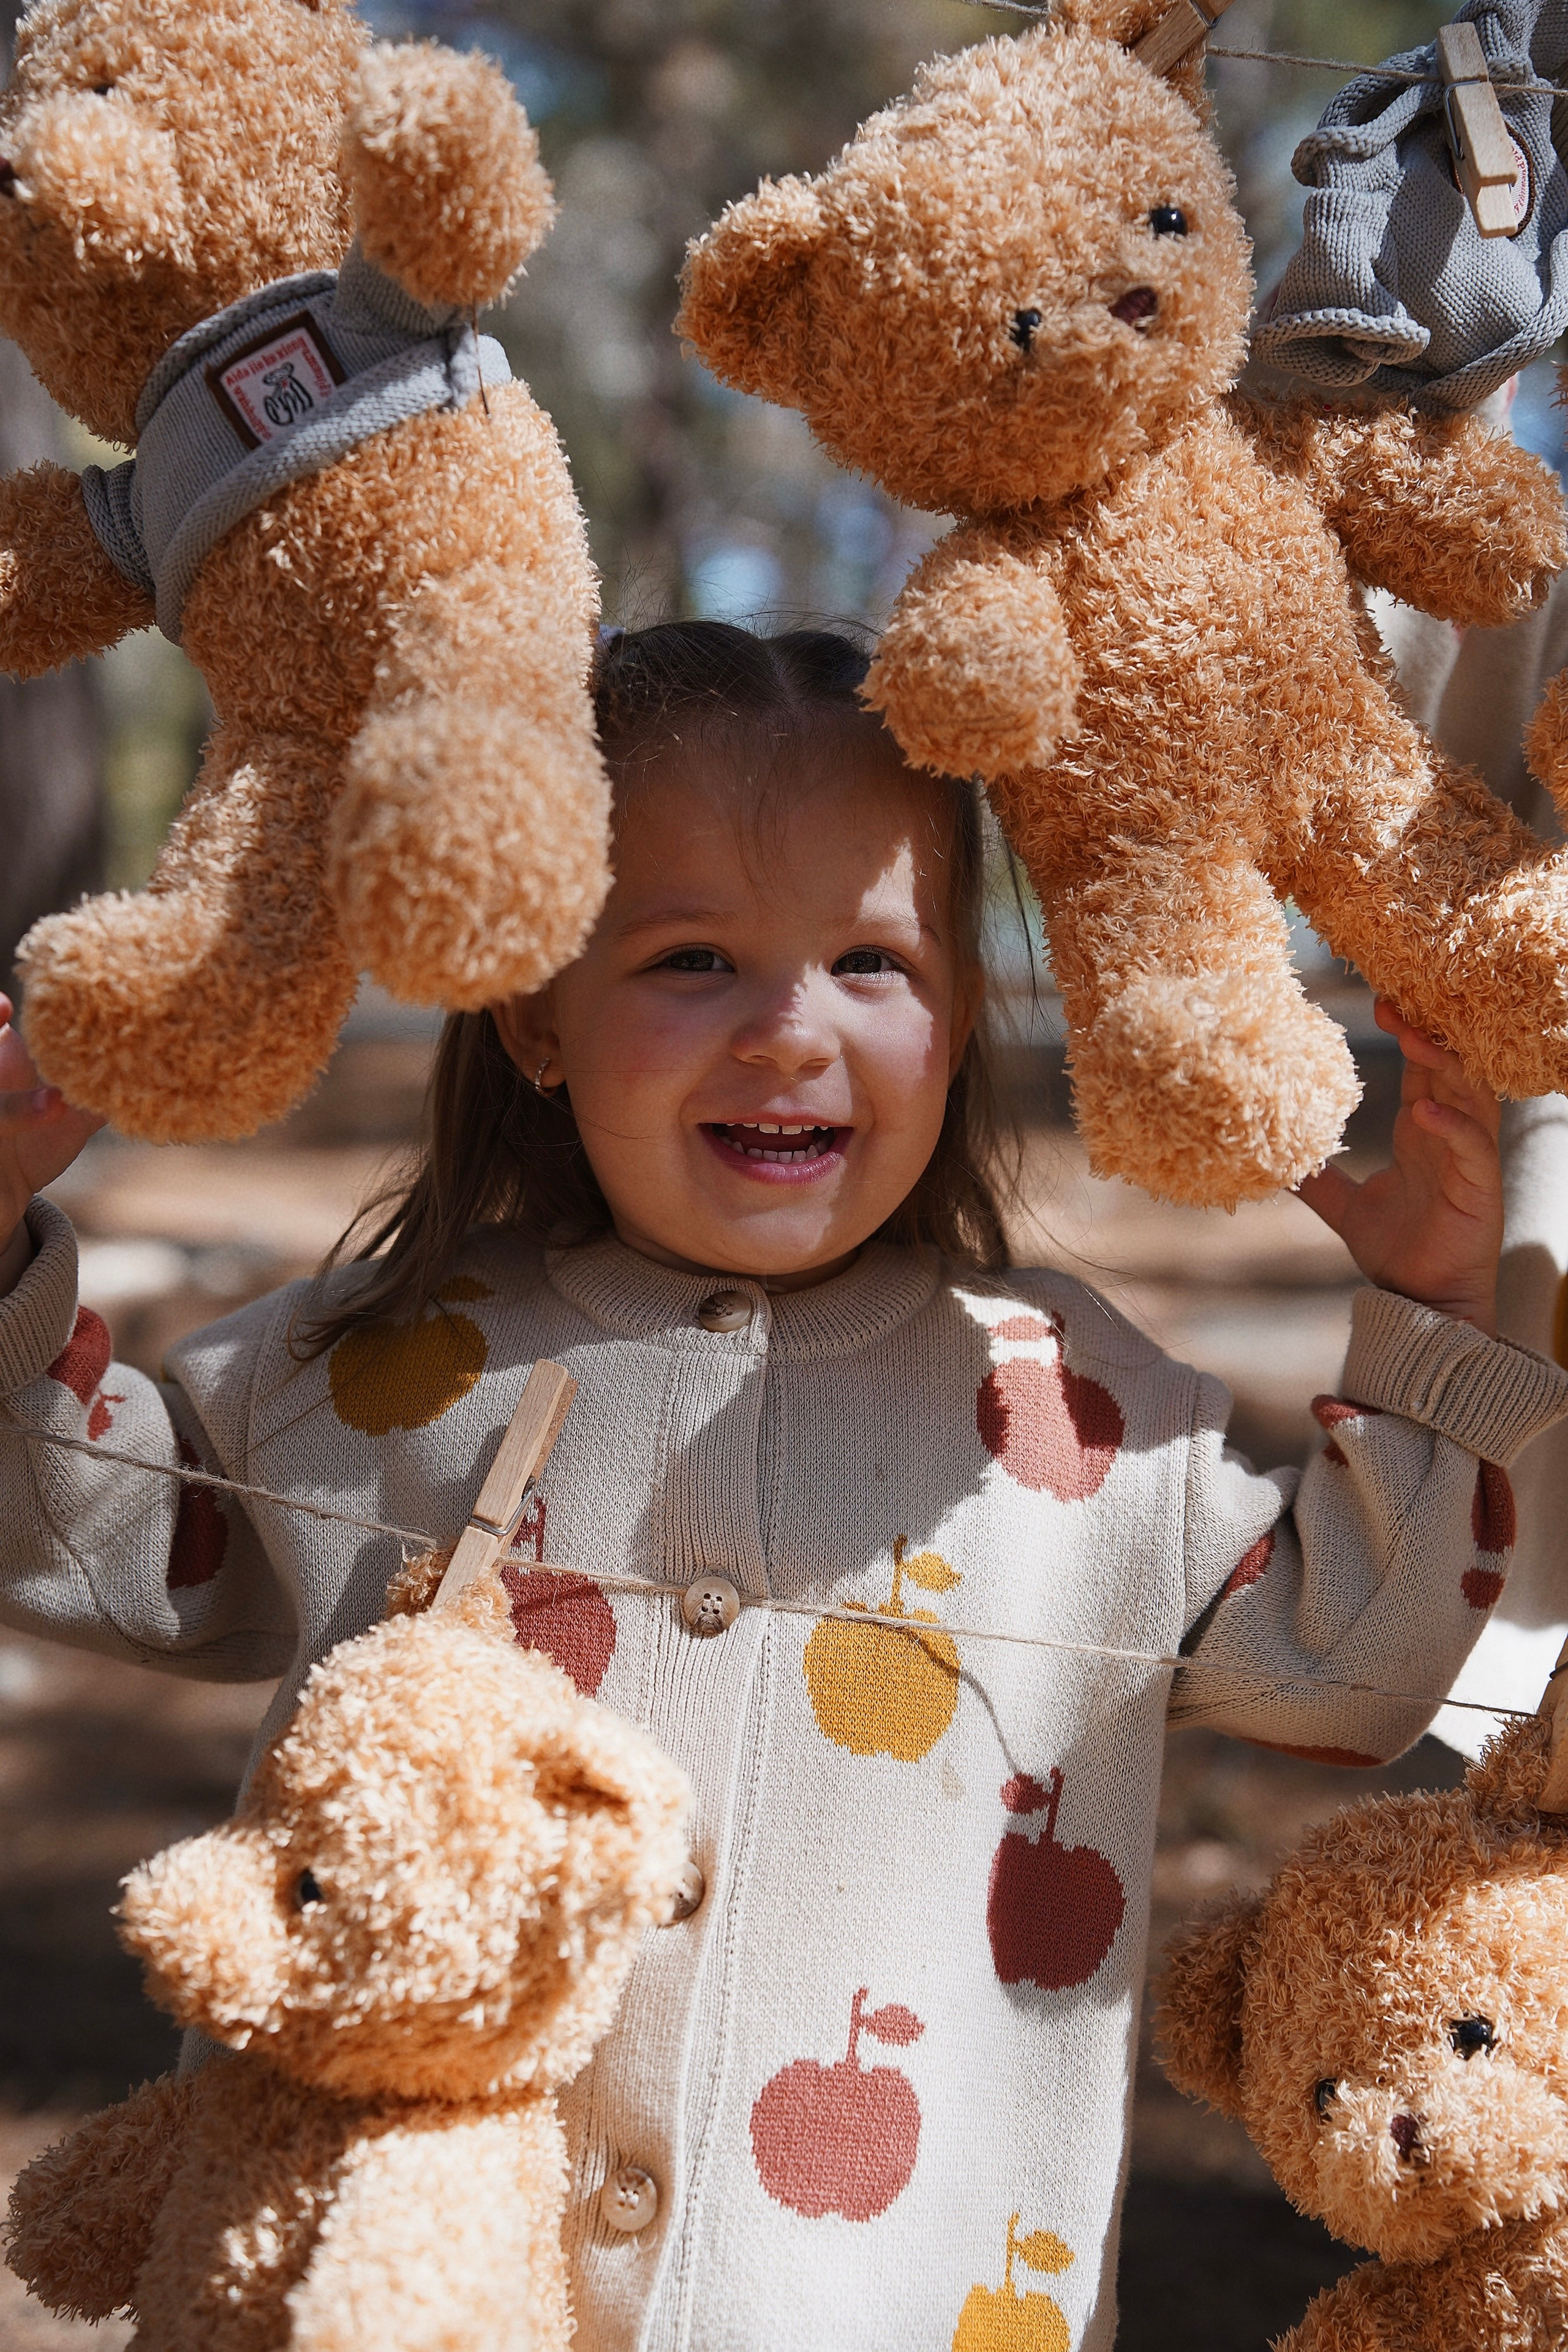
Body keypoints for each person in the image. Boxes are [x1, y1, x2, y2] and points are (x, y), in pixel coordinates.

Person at [0, 620, 1562, 2352]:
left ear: (959, 1021)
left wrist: (1434, 1312)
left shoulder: (1074, 1406)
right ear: (536, 1007)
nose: (789, 1029)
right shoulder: (378, 1363)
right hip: (400, 2291)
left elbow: (1353, 1670)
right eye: (692, 958)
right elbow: (88, 1534)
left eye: (872, 960)